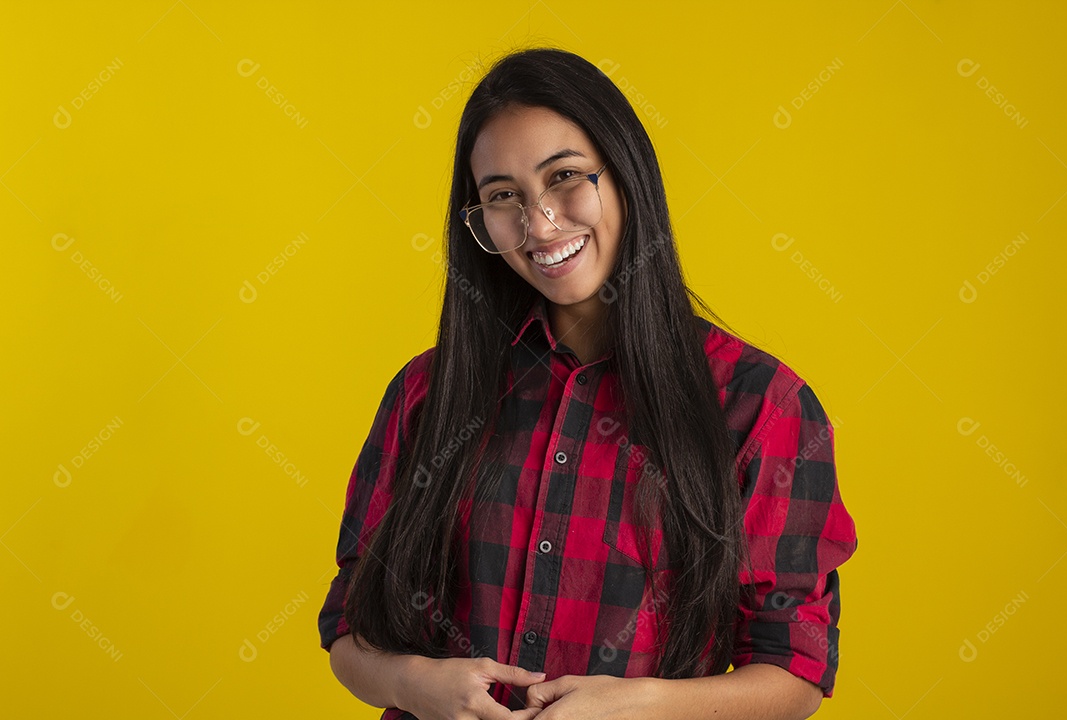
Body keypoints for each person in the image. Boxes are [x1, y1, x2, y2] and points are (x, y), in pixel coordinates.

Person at [318, 47, 858, 720]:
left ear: (626, 174)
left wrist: (641, 707)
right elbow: (349, 626)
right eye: (503, 196)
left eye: (565, 177)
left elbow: (794, 671)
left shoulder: (761, 406)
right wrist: (411, 685)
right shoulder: (426, 392)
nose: (540, 223)